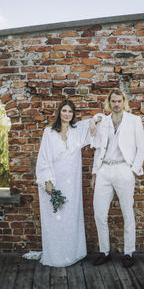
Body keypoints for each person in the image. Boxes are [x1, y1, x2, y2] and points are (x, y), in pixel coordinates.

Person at [91, 89, 144, 268]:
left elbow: (141, 148)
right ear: (109, 102)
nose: (116, 104)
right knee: (99, 214)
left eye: (119, 101)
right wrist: (94, 173)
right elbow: (98, 148)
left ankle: (128, 252)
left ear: (124, 102)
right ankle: (104, 252)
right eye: (113, 101)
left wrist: (133, 171)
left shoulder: (134, 121)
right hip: (104, 170)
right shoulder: (103, 121)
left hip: (123, 169)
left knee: (127, 214)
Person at [35, 99, 92, 267]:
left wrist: (95, 122)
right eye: (64, 111)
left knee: (70, 217)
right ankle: (56, 255)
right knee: (55, 217)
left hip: (72, 184)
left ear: (73, 115)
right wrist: (47, 181)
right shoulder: (49, 132)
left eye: (70, 111)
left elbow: (98, 120)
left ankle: (72, 253)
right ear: (59, 112)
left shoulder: (77, 131)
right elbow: (44, 158)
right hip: (55, 181)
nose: (67, 114)